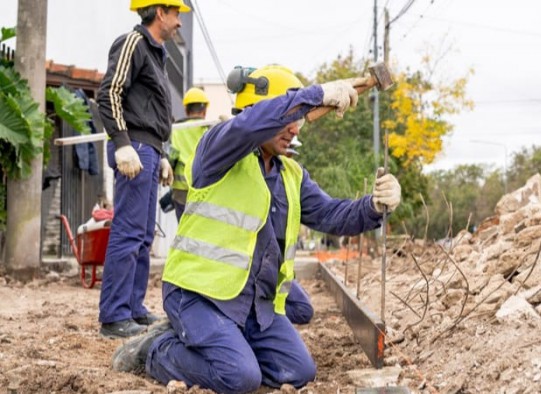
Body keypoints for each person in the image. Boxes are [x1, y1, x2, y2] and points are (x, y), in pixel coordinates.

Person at [111, 64, 402, 393]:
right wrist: (316, 94)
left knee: (298, 371)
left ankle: (226, 345)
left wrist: (374, 206)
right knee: (239, 378)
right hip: (198, 296)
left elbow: (331, 215)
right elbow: (252, 125)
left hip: (254, 304)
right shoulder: (218, 149)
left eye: (299, 121)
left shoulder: (290, 174)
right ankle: (156, 350)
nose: (294, 129)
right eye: (287, 119)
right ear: (254, 111)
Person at [95, 0, 189, 339]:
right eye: (177, 13)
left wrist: (160, 152)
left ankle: (132, 308)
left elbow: (148, 108)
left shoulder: (157, 54)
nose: (179, 21)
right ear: (160, 12)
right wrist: (122, 143)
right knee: (129, 231)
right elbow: (109, 93)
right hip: (133, 146)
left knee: (144, 235)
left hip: (148, 148)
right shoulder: (132, 43)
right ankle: (114, 316)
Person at [170, 87, 210, 221]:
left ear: (186, 110)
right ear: (204, 111)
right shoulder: (209, 130)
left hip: (180, 191)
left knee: (183, 230)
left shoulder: (177, 129)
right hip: (203, 189)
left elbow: (172, 157)